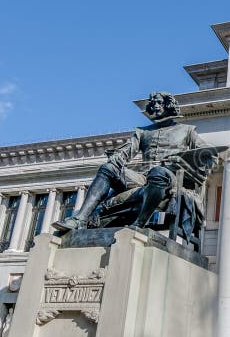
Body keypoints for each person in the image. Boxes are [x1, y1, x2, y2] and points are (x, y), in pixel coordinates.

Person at [52, 91, 209, 234]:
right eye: (152, 103)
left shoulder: (187, 130)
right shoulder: (143, 132)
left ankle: (139, 224)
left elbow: (207, 154)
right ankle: (80, 219)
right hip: (141, 177)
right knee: (108, 168)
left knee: (158, 172)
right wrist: (116, 158)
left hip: (170, 178)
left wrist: (189, 164)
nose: (154, 106)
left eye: (158, 102)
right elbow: (126, 151)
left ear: (168, 105)